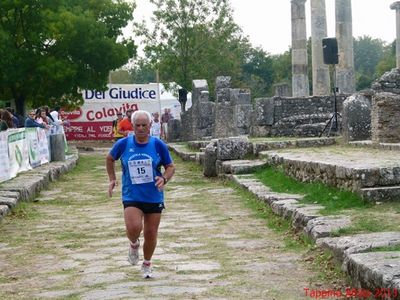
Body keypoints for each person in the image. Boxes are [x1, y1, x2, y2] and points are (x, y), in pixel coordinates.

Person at [106, 110, 175, 279]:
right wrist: (112, 179)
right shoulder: (123, 143)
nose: (141, 128)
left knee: (151, 233)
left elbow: (170, 167)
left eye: (145, 125)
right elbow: (109, 158)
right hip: (132, 195)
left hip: (153, 195)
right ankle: (134, 244)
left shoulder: (158, 144)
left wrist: (164, 179)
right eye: (138, 125)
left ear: (150, 126)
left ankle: (147, 263)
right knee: (134, 227)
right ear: (133, 126)